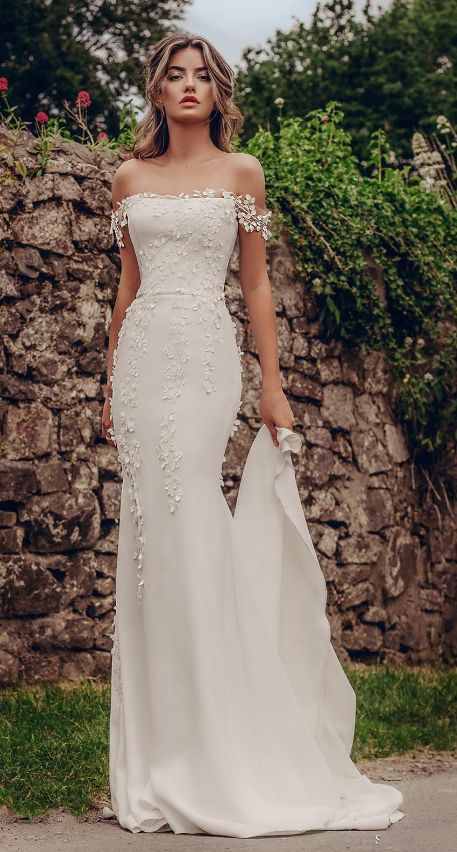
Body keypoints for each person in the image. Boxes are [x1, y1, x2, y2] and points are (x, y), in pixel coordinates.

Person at [101, 32, 405, 837]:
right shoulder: (128, 177)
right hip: (141, 366)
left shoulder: (243, 174)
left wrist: (271, 383)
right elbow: (126, 286)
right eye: (176, 75)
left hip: (205, 362)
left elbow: (256, 279)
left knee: (193, 520)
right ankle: (163, 756)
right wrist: (109, 378)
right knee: (148, 541)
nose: (190, 85)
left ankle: (226, 744)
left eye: (203, 75)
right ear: (157, 93)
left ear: (217, 91)